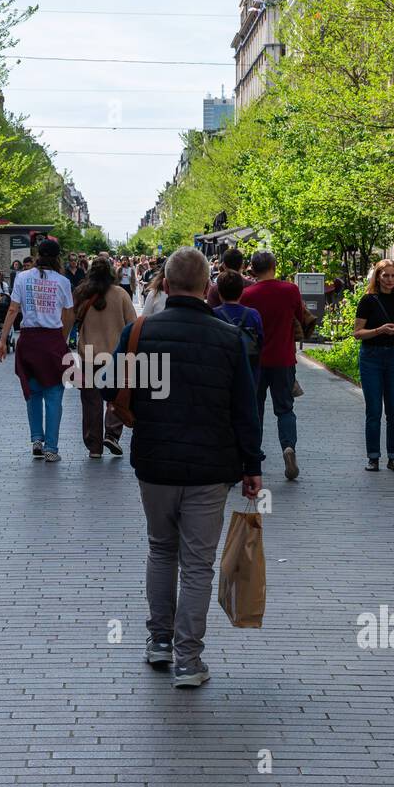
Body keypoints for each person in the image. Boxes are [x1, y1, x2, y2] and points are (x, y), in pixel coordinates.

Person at [103, 247, 262, 688]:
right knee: (197, 564)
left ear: (166, 285)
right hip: (211, 467)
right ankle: (188, 661)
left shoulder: (141, 332)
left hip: (154, 461)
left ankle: (158, 641)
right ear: (208, 286)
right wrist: (252, 465)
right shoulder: (228, 338)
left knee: (160, 549)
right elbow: (244, 410)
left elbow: (108, 385)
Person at [0, 238, 74, 461]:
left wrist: (2, 340)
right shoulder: (62, 282)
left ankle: (36, 439)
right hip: (52, 341)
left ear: (37, 254)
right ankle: (51, 448)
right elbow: (69, 313)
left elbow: (12, 309)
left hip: (28, 341)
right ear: (58, 257)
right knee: (54, 395)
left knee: (33, 393)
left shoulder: (22, 277)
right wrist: (63, 338)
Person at [241, 251, 312, 481]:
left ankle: (254, 454)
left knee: (255, 409)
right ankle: (288, 447)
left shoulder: (247, 294)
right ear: (274, 266)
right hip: (284, 359)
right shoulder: (290, 290)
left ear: (252, 268)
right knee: (285, 409)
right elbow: (300, 316)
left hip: (255, 362)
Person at [353, 259, 394, 472]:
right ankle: (373, 457)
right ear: (377, 276)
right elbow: (357, 333)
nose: (389, 279)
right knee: (374, 410)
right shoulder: (368, 300)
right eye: (385, 275)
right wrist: (379, 330)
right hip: (371, 357)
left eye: (393, 275)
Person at [73, 255, 136, 458]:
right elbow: (133, 323)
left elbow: (71, 319)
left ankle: (94, 446)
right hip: (115, 355)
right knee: (116, 398)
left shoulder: (81, 293)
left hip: (89, 355)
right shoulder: (121, 294)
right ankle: (112, 434)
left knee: (91, 401)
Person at [213, 269, 263, 382]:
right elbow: (260, 341)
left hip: (221, 371)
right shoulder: (253, 314)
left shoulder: (213, 314)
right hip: (249, 372)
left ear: (219, 293)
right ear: (241, 292)